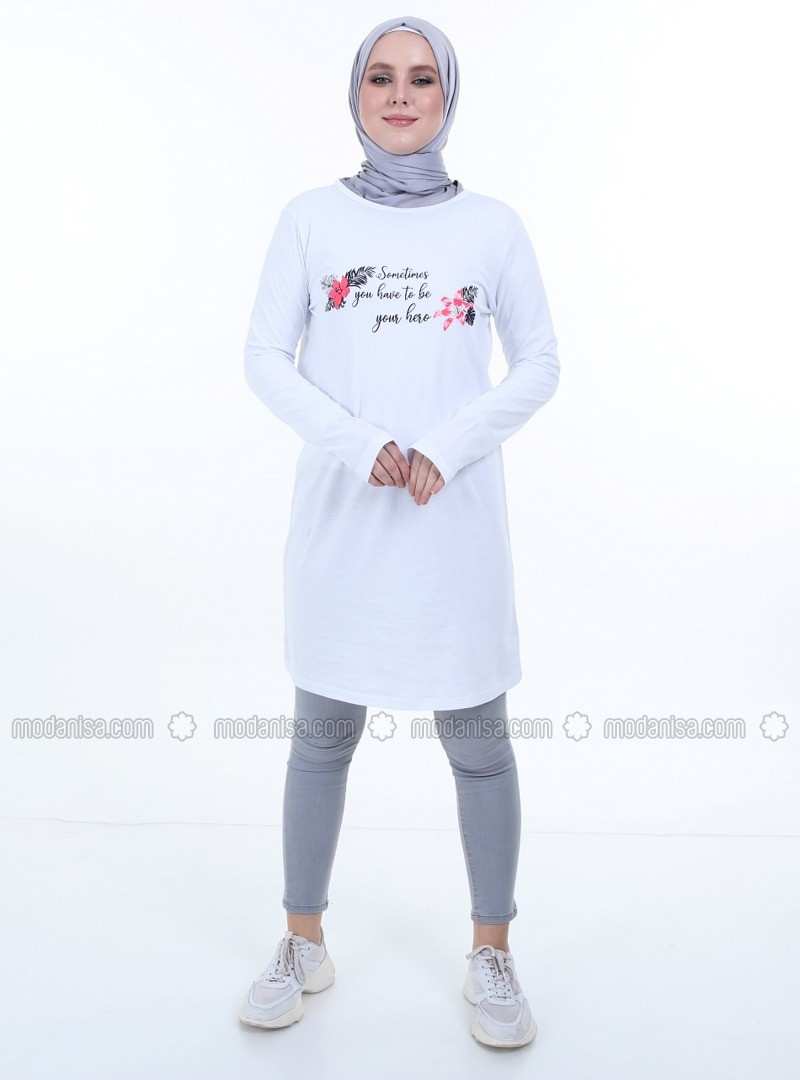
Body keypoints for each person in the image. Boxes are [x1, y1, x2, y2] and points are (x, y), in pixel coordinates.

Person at [238, 15, 559, 1049]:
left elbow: (540, 363)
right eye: (381, 77)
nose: (401, 95)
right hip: (344, 526)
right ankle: (302, 940)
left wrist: (448, 446)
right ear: (356, 94)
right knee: (320, 741)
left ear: (447, 94)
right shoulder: (309, 220)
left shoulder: (493, 228)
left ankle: (491, 950)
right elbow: (264, 357)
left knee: (478, 746)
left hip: (450, 529)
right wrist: (360, 443)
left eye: (421, 78)